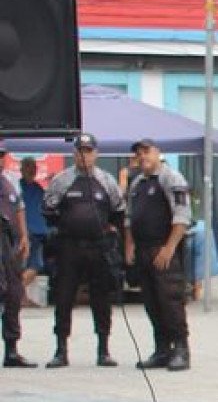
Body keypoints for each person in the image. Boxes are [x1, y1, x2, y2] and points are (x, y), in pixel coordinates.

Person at [42, 133, 125, 368]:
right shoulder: (62, 180)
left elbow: (119, 211)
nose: (83, 155)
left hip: (99, 248)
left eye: (88, 151)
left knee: (101, 298)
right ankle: (61, 350)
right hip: (70, 248)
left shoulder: (106, 181)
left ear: (96, 154)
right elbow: (48, 209)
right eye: (80, 151)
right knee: (64, 297)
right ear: (74, 153)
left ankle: (104, 350)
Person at [123, 140, 193, 372]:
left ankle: (181, 349)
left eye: (146, 151)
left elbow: (182, 215)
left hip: (163, 250)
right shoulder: (137, 184)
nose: (142, 156)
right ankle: (162, 349)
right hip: (143, 251)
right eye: (138, 153)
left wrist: (170, 247)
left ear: (157, 153)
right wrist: (129, 247)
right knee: (152, 303)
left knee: (170, 301)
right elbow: (130, 219)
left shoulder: (171, 178)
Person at [0, 148, 32, 367]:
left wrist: (24, 236)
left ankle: (11, 350)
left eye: (1, 155)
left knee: (13, 293)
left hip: (8, 243)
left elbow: (19, 206)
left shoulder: (10, 179)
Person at [20, 157, 47, 287]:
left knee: (36, 265)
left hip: (38, 234)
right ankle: (15, 296)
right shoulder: (18, 187)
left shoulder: (39, 189)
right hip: (23, 234)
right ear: (22, 170)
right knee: (21, 266)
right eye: (28, 167)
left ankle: (18, 295)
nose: (32, 170)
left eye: (34, 168)